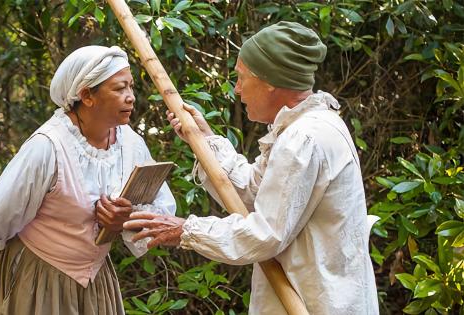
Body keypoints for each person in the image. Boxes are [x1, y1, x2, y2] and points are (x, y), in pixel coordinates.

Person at [123, 22, 379, 314]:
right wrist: (206, 141)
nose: (237, 89)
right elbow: (257, 195)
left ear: (270, 81)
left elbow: (265, 234)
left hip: (321, 304)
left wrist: (186, 230)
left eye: (242, 78)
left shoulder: (304, 138)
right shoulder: (304, 127)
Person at [0, 45, 176, 315]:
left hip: (96, 281)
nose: (131, 98)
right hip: (39, 278)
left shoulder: (131, 144)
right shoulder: (47, 147)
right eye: (120, 88)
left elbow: (162, 211)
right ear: (87, 95)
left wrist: (125, 220)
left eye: (131, 87)